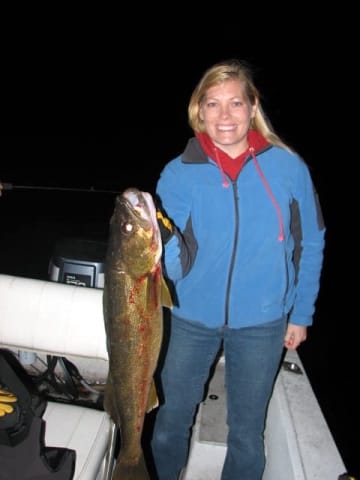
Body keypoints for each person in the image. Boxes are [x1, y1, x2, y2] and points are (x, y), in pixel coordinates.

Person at [151, 59, 326, 480]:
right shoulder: (178, 173)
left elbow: (311, 242)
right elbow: (171, 251)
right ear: (199, 111)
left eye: (234, 103)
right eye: (213, 104)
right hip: (190, 317)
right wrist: (159, 249)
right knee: (169, 423)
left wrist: (300, 314)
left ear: (252, 108)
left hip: (263, 321)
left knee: (247, 434)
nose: (224, 116)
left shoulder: (288, 168)